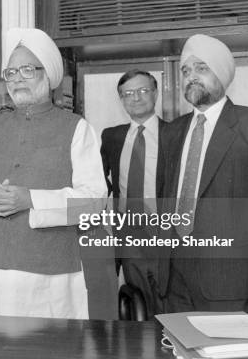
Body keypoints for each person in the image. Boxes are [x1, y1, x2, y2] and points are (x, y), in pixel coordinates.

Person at [0, 27, 107, 319]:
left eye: (27, 70)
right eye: (11, 73)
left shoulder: (77, 127)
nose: (17, 80)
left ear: (48, 75)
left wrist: (31, 199)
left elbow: (94, 202)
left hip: (54, 275)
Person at [161, 34, 248, 313]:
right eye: (185, 70)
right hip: (176, 278)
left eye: (201, 68)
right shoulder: (172, 131)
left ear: (221, 73)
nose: (191, 76)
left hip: (233, 278)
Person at [100, 69, 166, 319]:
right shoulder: (112, 136)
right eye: (127, 94)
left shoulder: (175, 133)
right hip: (128, 236)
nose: (135, 98)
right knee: (137, 306)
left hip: (164, 234)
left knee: (168, 305)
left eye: (142, 91)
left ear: (155, 93)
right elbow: (98, 182)